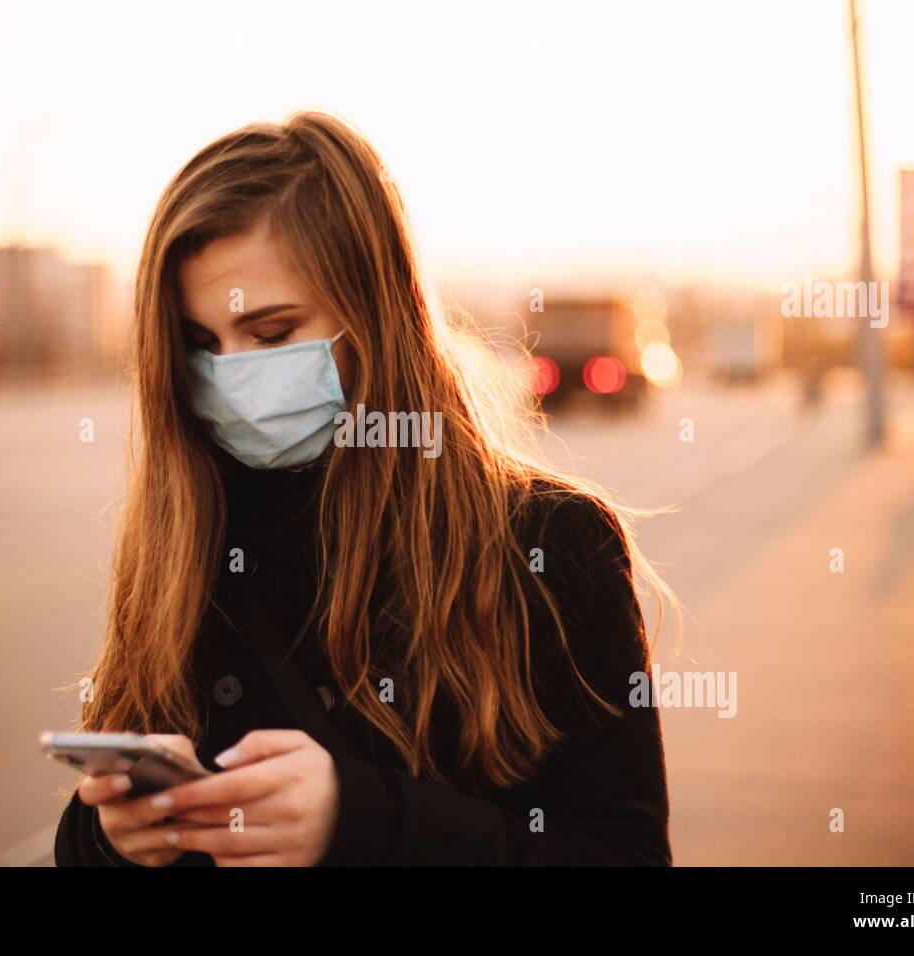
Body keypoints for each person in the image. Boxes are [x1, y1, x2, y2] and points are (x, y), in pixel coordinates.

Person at [53, 111, 674, 866]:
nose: (232, 374)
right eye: (199, 345)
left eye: (273, 334)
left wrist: (364, 820)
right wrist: (112, 839)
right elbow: (92, 836)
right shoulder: (185, 539)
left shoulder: (550, 544)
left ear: (375, 312)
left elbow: (625, 855)